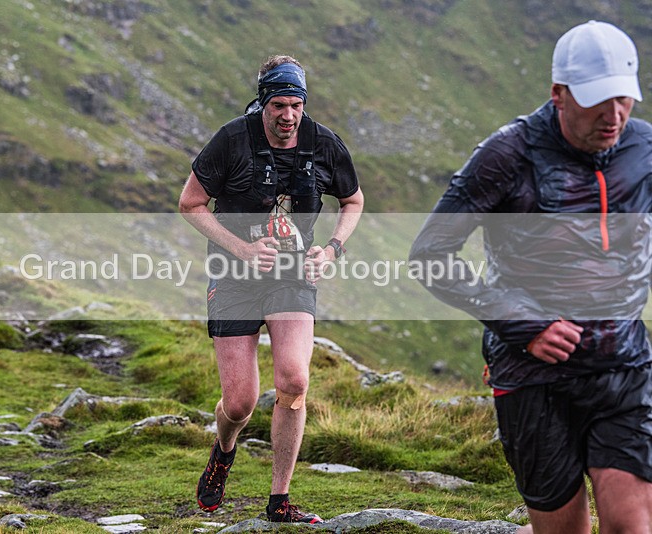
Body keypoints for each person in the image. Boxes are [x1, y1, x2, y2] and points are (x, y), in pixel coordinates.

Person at [410, 21, 652, 533]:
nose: (614, 117)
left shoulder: (644, 150)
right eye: (597, 101)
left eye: (624, 100)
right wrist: (523, 324)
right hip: (533, 374)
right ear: (559, 94)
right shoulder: (506, 156)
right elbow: (430, 253)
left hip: (621, 364)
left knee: (632, 524)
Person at [179, 55, 364, 523]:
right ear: (263, 103)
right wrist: (241, 249)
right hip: (234, 277)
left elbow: (353, 199)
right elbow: (190, 203)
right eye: (279, 105)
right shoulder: (232, 140)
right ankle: (223, 451)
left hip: (293, 277)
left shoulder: (324, 143)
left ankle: (279, 500)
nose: (288, 116)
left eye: (296, 105)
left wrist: (333, 249)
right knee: (239, 402)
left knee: (294, 381)